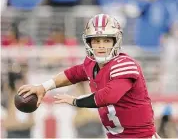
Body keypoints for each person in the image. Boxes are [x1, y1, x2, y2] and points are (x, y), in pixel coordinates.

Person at [18, 14, 159, 138]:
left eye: (107, 40)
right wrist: (43, 87)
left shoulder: (124, 64)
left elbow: (108, 96)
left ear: (116, 41)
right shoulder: (91, 64)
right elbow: (73, 74)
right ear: (89, 42)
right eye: (96, 41)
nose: (101, 46)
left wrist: (75, 101)